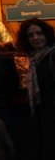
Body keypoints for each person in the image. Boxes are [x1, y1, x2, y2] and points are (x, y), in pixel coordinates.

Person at [16, 18, 55, 160]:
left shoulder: (51, 55)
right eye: (30, 35)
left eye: (39, 33)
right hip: (44, 113)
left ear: (47, 34)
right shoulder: (35, 59)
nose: (35, 38)